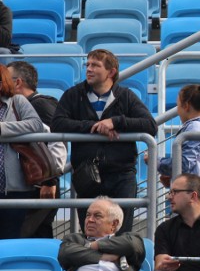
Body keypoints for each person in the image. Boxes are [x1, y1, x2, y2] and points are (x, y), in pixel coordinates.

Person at [52, 48, 157, 234]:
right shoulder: (73, 94)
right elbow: (58, 123)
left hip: (121, 174)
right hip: (87, 175)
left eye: (95, 65)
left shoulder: (126, 96)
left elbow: (150, 125)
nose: (89, 69)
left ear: (111, 72)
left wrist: (116, 122)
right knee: (90, 232)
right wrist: (93, 126)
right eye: (88, 65)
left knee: (121, 232)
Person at [54, 196, 148, 271]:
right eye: (88, 215)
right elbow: (65, 253)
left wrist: (95, 245)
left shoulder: (129, 238)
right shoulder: (74, 239)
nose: (90, 220)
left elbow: (133, 246)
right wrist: (103, 257)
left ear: (114, 224)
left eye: (97, 216)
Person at [8, 61, 62, 238]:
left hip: (42, 183)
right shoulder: (16, 107)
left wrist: (49, 181)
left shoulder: (40, 105)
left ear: (18, 82)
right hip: (32, 181)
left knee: (30, 233)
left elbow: (57, 141)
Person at [157, 83, 200, 200]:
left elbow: (184, 164)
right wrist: (173, 179)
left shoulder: (196, 127)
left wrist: (157, 162)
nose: (177, 111)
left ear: (187, 106)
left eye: (178, 105)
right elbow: (194, 166)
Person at [0, 62, 43, 239]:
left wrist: (2, 129)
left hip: (14, 189)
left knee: (11, 238)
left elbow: (36, 124)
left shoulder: (17, 101)